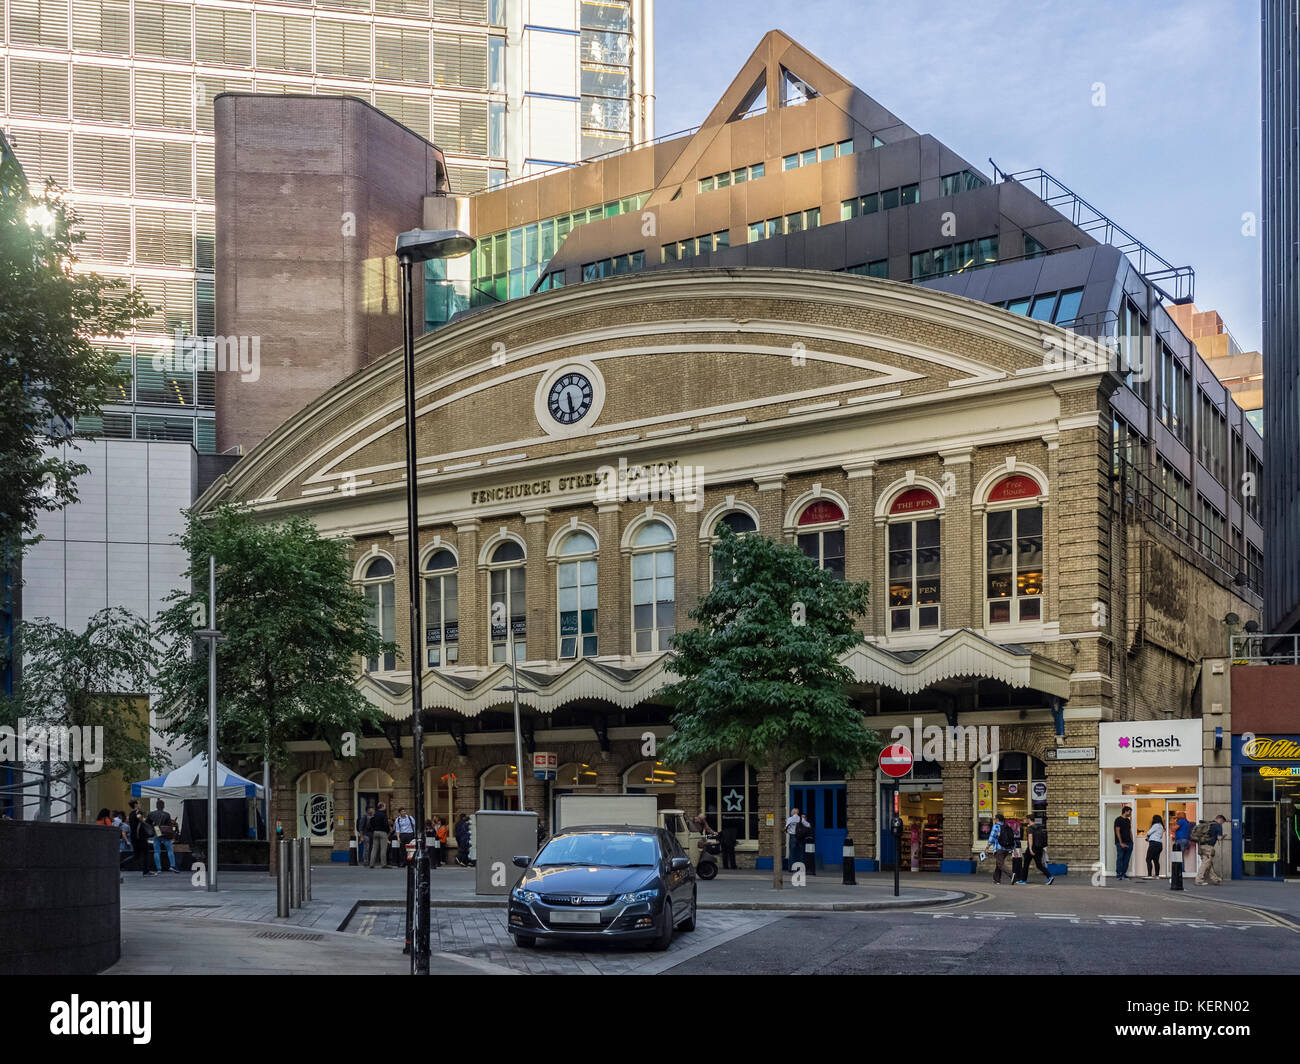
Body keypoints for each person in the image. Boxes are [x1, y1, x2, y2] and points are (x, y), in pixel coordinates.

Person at [1015, 815, 1054, 885]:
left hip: (1032, 848)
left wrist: (1030, 848)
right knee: (1039, 865)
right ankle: (1049, 876)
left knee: (1026, 864)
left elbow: (1030, 838)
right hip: (1039, 848)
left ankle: (1023, 880)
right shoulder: (1039, 827)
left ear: (1029, 819)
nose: (1026, 820)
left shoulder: (1030, 828)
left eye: (1026, 819)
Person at [147, 799, 180, 874]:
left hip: (156, 831)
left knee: (156, 851)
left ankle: (159, 868)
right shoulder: (167, 814)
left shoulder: (151, 814)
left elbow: (147, 824)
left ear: (156, 806)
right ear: (163, 806)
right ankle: (172, 866)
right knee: (170, 850)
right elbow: (169, 826)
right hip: (165, 833)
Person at [1193, 814, 1227, 886]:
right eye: (1222, 822)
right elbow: (1219, 838)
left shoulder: (1208, 824)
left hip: (1201, 845)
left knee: (1209, 864)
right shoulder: (1218, 826)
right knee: (1206, 863)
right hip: (1208, 847)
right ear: (1220, 820)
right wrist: (1223, 837)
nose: (1222, 823)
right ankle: (1199, 879)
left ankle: (1215, 879)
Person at [986, 813, 1014, 884]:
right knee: (998, 863)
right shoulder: (1007, 826)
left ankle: (1012, 875)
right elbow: (1012, 838)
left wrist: (987, 847)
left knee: (1000, 864)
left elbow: (992, 837)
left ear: (997, 819)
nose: (994, 820)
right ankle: (996, 879)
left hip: (999, 848)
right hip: (1007, 848)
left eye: (994, 819)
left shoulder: (996, 826)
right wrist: (1013, 848)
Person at [129, 800, 153, 876]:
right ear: (135, 805)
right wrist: (143, 818)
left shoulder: (130, 814)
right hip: (140, 838)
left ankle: (120, 864)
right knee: (145, 853)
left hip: (134, 838)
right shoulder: (137, 812)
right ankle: (146, 871)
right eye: (139, 803)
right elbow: (141, 819)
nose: (140, 804)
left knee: (136, 856)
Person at [1113, 805, 1133, 880]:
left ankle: (1124, 873)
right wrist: (1120, 842)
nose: (1130, 813)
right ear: (1125, 811)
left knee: (1126, 859)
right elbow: (1117, 831)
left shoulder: (1128, 820)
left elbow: (1130, 831)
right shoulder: (1118, 819)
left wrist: (1132, 841)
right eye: (1129, 812)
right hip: (1120, 843)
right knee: (1120, 858)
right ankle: (1119, 874)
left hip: (1129, 843)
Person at [368, 802, 390, 868]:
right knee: (383, 849)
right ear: (382, 807)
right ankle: (383, 864)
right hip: (383, 832)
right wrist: (387, 831)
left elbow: (371, 821)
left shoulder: (375, 814)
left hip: (375, 832)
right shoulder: (384, 815)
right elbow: (386, 824)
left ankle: (371, 864)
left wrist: (373, 829)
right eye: (385, 806)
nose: (385, 807)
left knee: (374, 848)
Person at [1145, 814, 1165, 879]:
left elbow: (1148, 832)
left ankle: (1149, 875)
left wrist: (1149, 837)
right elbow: (1160, 836)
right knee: (1156, 860)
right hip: (1159, 844)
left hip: (1153, 844)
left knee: (1148, 859)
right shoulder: (1161, 826)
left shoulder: (1155, 825)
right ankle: (1157, 875)